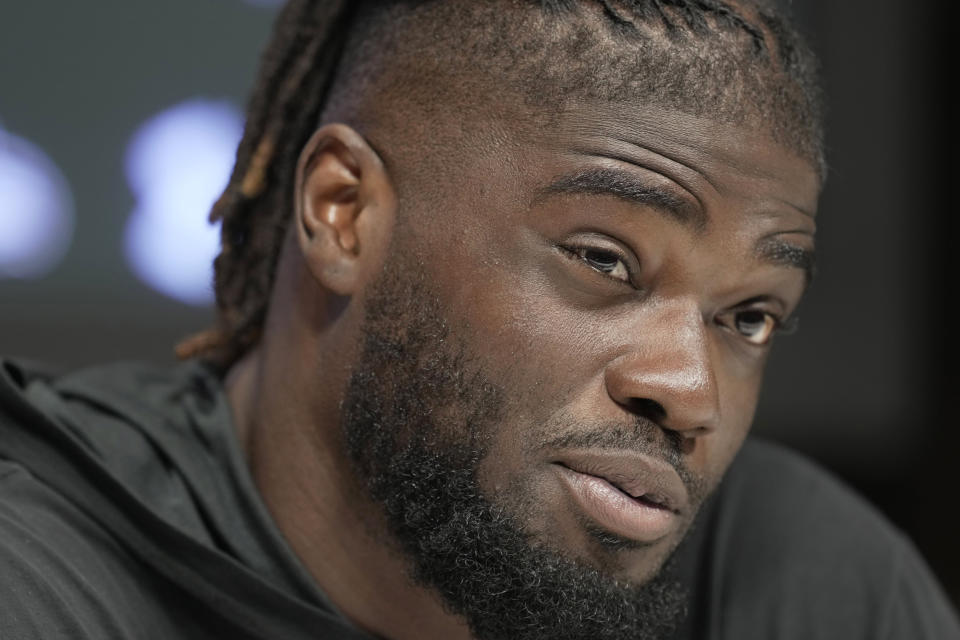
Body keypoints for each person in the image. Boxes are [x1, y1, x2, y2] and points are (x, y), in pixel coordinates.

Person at [1, 0, 957, 638]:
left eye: (748, 317)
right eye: (603, 261)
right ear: (345, 212)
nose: (690, 393)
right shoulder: (44, 584)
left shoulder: (808, 587)